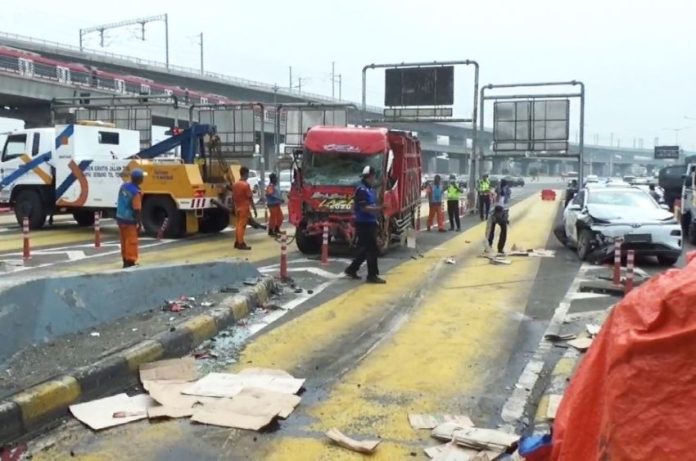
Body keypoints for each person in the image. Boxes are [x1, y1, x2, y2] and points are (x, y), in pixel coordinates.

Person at [345, 166, 386, 284]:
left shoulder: (370, 189)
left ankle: (352, 269)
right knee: (373, 249)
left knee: (366, 248)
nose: (374, 179)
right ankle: (372, 275)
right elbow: (365, 208)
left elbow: (368, 204)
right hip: (364, 224)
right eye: (373, 177)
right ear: (370, 176)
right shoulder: (362, 190)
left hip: (370, 222)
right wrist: (380, 208)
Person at [116, 168, 145, 268]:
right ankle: (131, 261)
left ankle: (125, 260)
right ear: (140, 180)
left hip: (120, 217)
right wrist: (139, 222)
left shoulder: (123, 186)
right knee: (131, 241)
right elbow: (136, 209)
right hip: (129, 220)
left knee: (123, 240)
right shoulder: (135, 192)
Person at [230, 166, 258, 250]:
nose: (248, 176)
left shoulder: (235, 184)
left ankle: (237, 241)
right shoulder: (245, 185)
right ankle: (241, 243)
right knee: (242, 226)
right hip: (244, 208)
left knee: (238, 225)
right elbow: (250, 198)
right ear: (245, 174)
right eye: (248, 174)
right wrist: (254, 209)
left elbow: (233, 197)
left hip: (237, 207)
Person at [265, 173, 284, 237]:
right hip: (272, 205)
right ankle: (271, 231)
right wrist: (279, 198)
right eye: (275, 178)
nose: (276, 179)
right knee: (273, 218)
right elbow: (270, 194)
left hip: (277, 204)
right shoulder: (270, 186)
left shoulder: (275, 186)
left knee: (280, 217)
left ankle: (276, 229)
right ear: (272, 179)